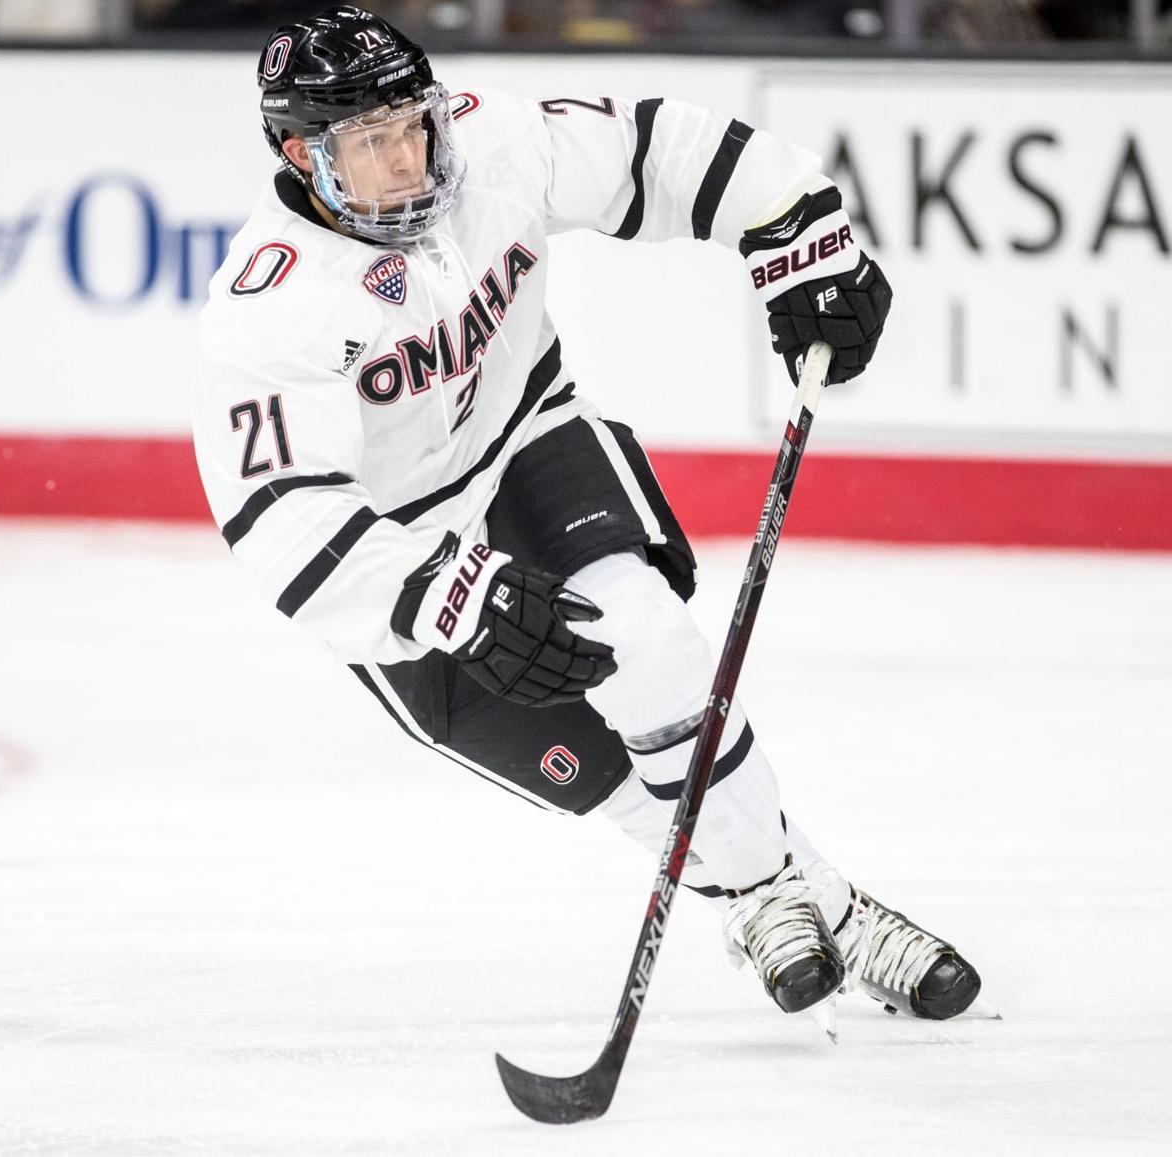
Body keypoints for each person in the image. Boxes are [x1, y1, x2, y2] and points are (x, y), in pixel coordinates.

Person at [193, 3, 981, 1031]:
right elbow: (274, 512)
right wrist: (443, 596)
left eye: (412, 125)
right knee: (621, 788)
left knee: (652, 645)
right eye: (368, 142)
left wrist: (798, 228)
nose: (407, 161)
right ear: (302, 155)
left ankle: (792, 904)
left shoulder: (492, 144)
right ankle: (821, 900)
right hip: (407, 552)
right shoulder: (269, 311)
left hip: (531, 444)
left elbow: (655, 149)